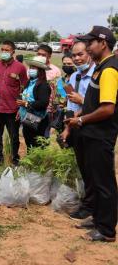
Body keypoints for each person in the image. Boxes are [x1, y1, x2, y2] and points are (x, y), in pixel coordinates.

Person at [65, 26, 118, 242]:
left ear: (102, 43)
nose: (87, 46)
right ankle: (97, 218)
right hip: (91, 133)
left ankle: (106, 230)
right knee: (94, 180)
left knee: (104, 183)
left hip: (101, 135)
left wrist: (81, 119)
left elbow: (107, 108)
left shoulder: (110, 70)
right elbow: (93, 102)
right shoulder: (100, 67)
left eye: (91, 42)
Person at [59, 41, 95, 221]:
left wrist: (84, 101)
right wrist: (67, 130)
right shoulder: (73, 77)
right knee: (83, 166)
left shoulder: (98, 75)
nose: (77, 58)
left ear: (89, 53)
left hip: (94, 127)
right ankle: (89, 204)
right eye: (74, 56)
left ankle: (93, 206)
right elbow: (71, 107)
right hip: (77, 127)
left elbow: (99, 106)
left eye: (80, 54)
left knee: (95, 169)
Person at [0, 40, 28, 164]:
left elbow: (25, 88)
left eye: (7, 50)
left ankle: (14, 159)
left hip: (13, 110)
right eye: (2, 50)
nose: (4, 52)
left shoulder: (20, 68)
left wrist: (21, 109)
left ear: (13, 52)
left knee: (14, 137)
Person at [16, 56, 51, 148]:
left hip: (36, 118)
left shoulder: (43, 85)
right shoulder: (30, 83)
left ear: (40, 70)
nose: (31, 70)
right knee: (29, 140)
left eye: (34, 68)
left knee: (35, 143)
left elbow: (43, 103)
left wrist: (26, 104)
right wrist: (20, 110)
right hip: (28, 117)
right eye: (30, 67)